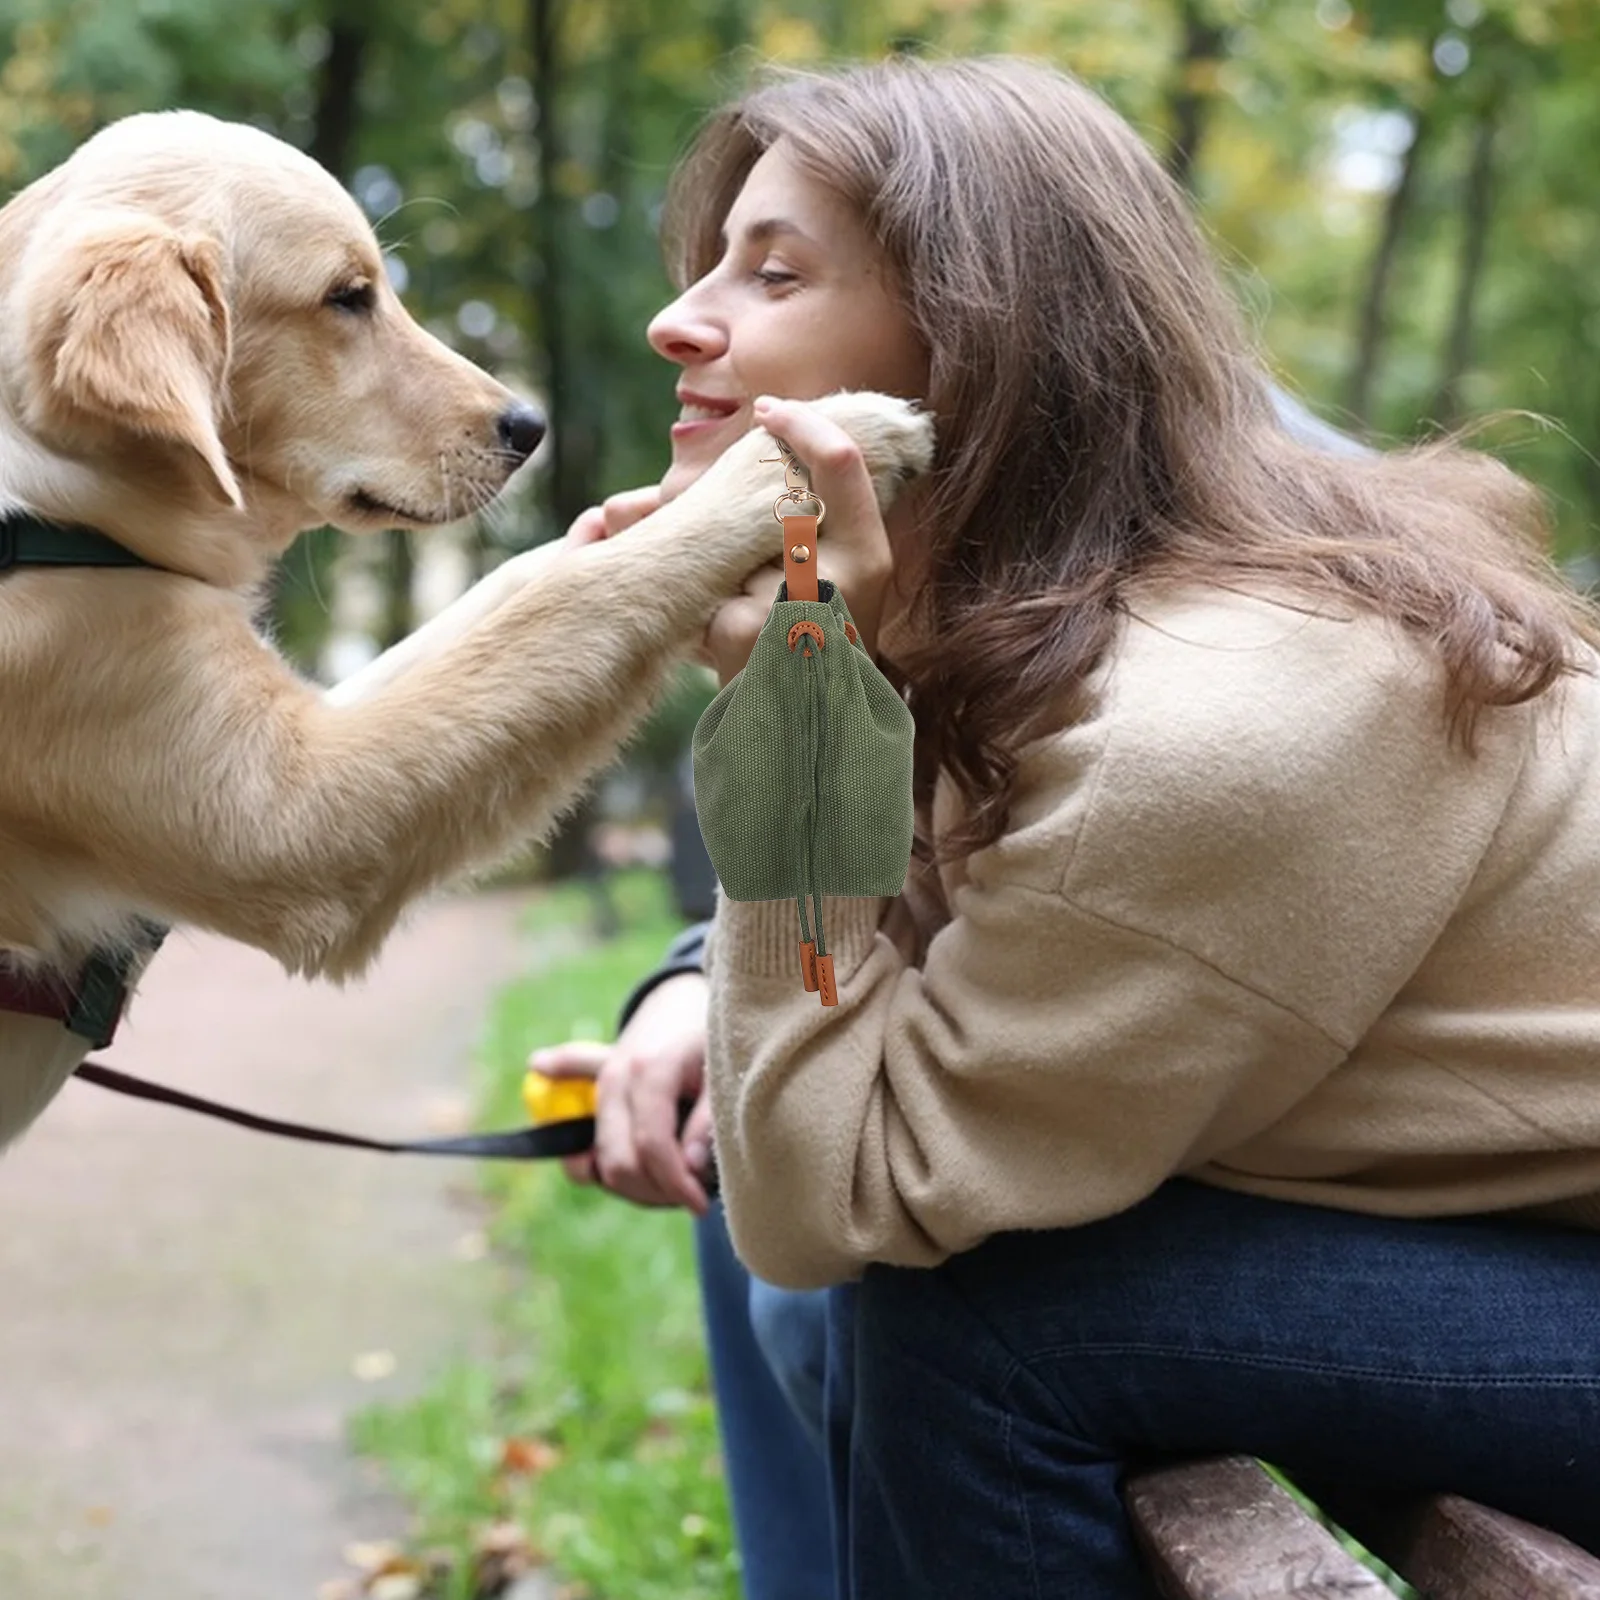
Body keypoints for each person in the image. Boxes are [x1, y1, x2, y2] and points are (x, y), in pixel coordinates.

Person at [539, 51, 1600, 1600]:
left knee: (971, 1317)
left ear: (972, 351)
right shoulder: (1055, 621)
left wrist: (801, 719)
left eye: (771, 274)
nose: (679, 319)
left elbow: (833, 1193)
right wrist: (698, 984)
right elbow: (891, 996)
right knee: (759, 1140)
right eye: (710, 263)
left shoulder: (1212, 720)